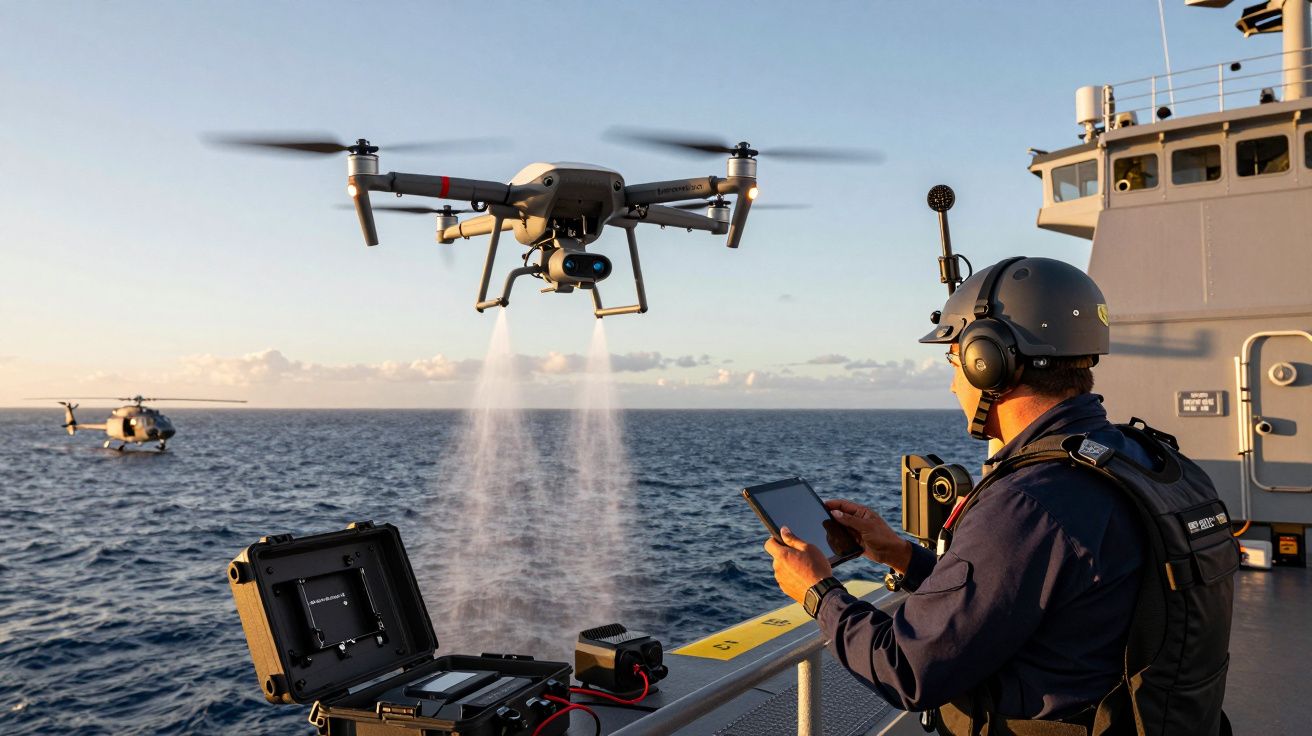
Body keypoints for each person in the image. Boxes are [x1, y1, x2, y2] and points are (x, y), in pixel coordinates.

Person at [764, 257, 1235, 736]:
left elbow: (907, 669)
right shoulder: (1139, 457)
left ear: (987, 362)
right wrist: (902, 555)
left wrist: (819, 592)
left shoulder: (1031, 501)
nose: (952, 384)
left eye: (953, 360)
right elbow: (1015, 593)